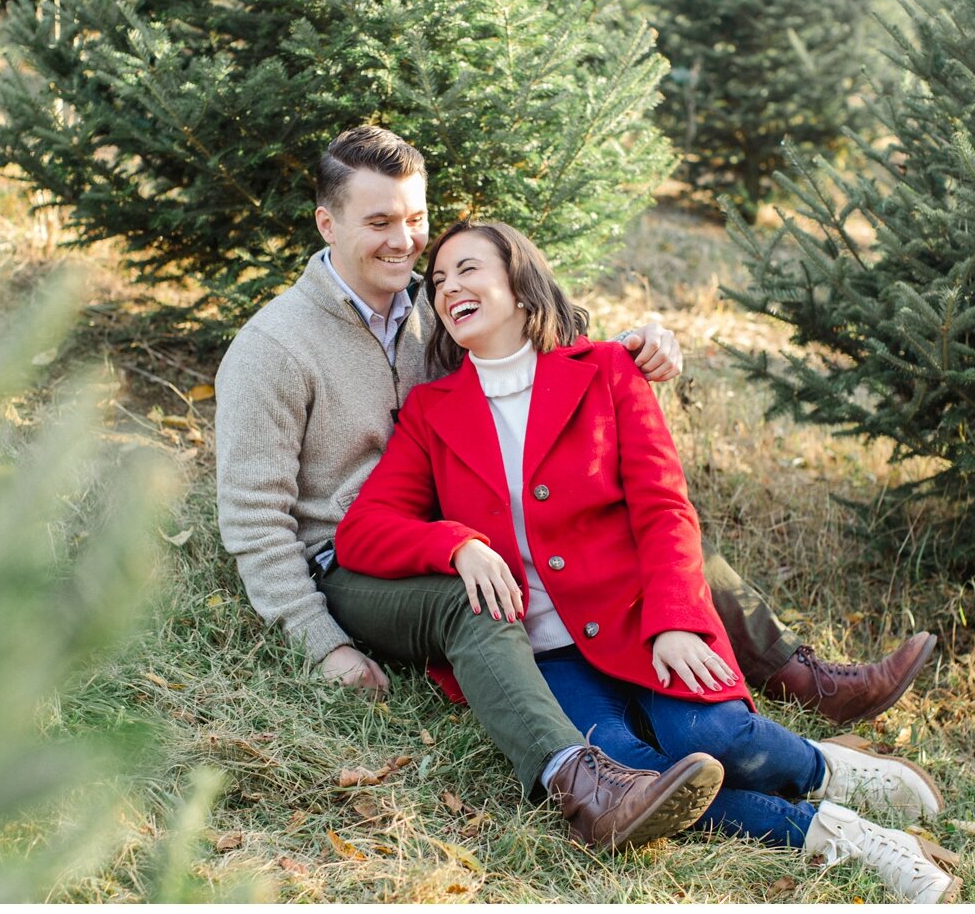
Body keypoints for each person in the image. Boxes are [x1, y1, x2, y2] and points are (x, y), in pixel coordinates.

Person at [334, 221, 960, 903]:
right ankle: (841, 836)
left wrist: (676, 620)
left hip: (642, 615)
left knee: (711, 733)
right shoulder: (432, 411)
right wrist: (456, 543)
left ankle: (825, 769)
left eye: (467, 268)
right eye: (440, 280)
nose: (449, 286)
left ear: (519, 281)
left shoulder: (606, 370)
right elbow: (363, 530)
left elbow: (664, 507)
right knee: (640, 779)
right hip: (549, 654)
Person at [215, 126, 725, 850]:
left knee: (633, 520)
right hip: (355, 562)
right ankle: (579, 783)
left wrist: (639, 346)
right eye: (380, 222)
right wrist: (322, 642)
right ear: (327, 224)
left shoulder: (433, 305)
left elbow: (537, 340)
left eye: (415, 218)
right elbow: (253, 519)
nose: (405, 241)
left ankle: (790, 674)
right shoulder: (274, 347)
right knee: (474, 602)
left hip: (456, 526)